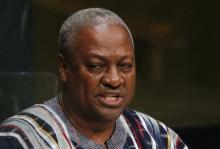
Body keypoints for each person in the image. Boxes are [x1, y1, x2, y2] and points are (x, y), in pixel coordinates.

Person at [0, 8, 188, 149]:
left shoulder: (158, 138)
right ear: (64, 68)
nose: (114, 80)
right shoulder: (20, 139)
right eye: (96, 66)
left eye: (125, 66)